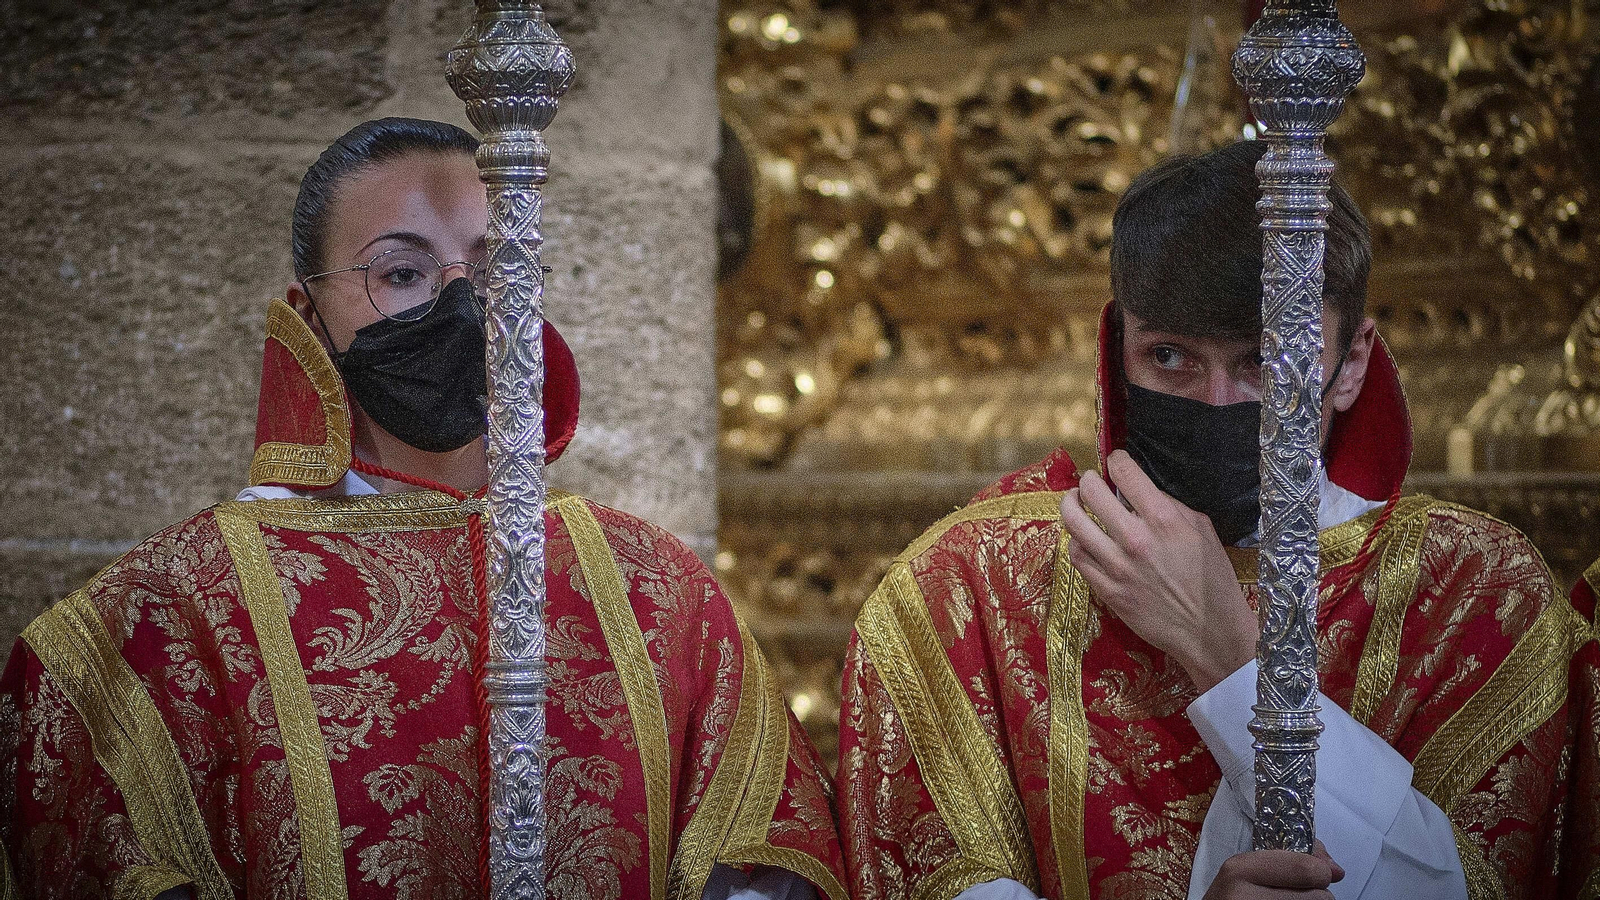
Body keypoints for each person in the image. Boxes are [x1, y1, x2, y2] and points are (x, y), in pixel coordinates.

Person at [0, 117, 845, 900]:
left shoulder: (655, 589)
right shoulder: (174, 607)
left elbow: (766, 856)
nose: (460, 305)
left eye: (495, 269)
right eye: (402, 273)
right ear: (310, 315)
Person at [835, 140, 1599, 899]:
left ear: (1353, 364)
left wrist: (1235, 663)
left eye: (1265, 361)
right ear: (1117, 348)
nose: (1216, 403)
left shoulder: (1477, 594)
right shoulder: (968, 585)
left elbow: (1474, 882)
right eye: (1170, 357)